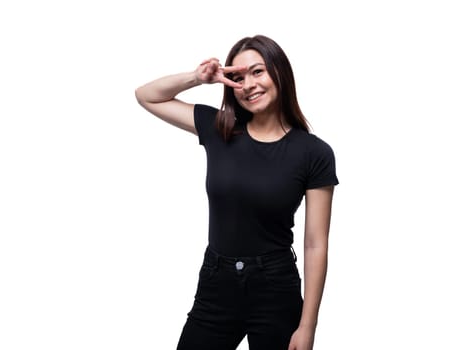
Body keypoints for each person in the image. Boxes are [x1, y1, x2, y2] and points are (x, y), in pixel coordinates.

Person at [135, 34, 339, 350]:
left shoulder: (313, 153)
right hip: (217, 282)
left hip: (275, 285)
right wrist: (197, 77)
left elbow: (315, 244)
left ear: (279, 72)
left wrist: (307, 326)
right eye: (237, 77)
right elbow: (147, 95)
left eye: (258, 72)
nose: (248, 84)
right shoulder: (219, 129)